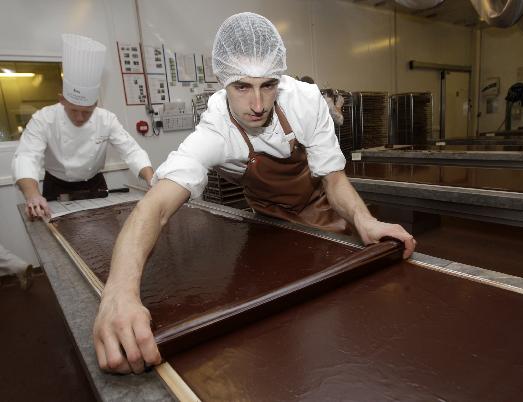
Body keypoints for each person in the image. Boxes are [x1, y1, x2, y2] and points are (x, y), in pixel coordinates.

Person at [93, 12, 416, 374]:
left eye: (268, 85)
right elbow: (155, 208)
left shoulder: (306, 102)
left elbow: (333, 179)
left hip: (320, 209)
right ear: (222, 82)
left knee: (333, 313)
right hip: (266, 221)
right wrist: (119, 294)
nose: (258, 104)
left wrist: (366, 221)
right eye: (242, 87)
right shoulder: (215, 132)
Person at [12, 34, 153, 220]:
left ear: (95, 104)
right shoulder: (44, 119)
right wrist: (32, 195)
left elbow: (132, 151)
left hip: (95, 184)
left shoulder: (107, 120)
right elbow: (27, 156)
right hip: (56, 186)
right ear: (62, 100)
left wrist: (152, 181)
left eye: (86, 112)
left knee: (103, 231)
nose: (80, 117)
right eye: (73, 110)